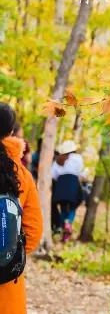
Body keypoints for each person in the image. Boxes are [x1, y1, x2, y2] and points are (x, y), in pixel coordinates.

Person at [0, 103, 43, 314]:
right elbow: (34, 231)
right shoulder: (22, 175)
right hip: (7, 282)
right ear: (10, 132)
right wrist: (8, 254)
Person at [51, 140, 85, 242]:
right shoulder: (78, 158)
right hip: (73, 183)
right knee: (73, 206)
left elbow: (53, 174)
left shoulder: (58, 160)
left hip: (60, 184)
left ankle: (63, 228)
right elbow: (80, 171)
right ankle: (68, 223)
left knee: (63, 207)